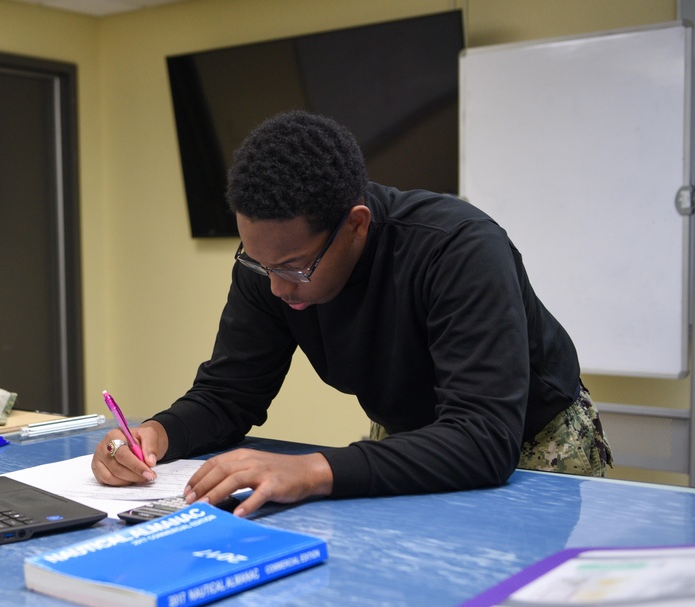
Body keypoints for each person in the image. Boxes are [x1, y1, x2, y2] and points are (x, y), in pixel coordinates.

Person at [91, 110, 611, 517]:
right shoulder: (268, 265)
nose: (275, 286)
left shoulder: (459, 248)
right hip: (412, 438)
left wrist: (311, 470)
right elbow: (230, 394)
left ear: (356, 226)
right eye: (259, 261)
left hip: (527, 443)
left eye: (294, 267)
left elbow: (481, 439)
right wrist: (158, 434)